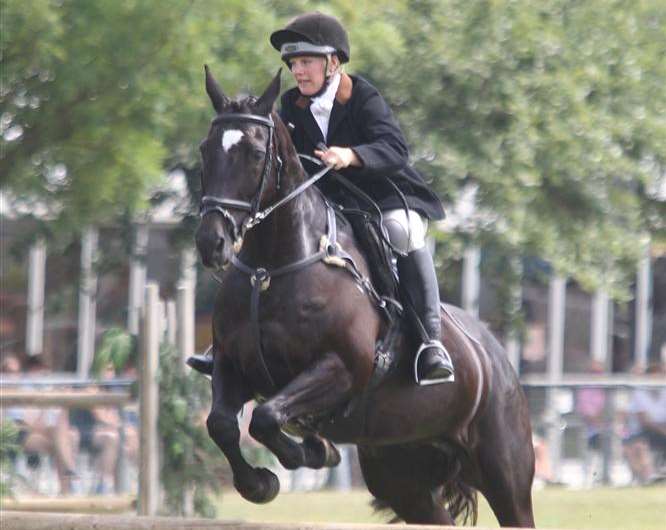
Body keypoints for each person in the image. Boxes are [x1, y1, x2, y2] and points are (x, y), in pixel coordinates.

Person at [189, 11, 454, 385]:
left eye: (307, 62)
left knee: (402, 230)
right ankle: (228, 343)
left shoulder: (362, 96)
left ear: (333, 63)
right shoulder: (290, 106)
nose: (299, 71)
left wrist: (352, 155)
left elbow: (395, 149)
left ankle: (430, 340)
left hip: (380, 194)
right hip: (327, 198)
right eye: (294, 63)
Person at [622, 363, 666, 484]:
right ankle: (649, 477)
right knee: (638, 445)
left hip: (662, 431)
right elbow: (645, 421)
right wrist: (663, 429)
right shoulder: (639, 394)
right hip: (643, 432)